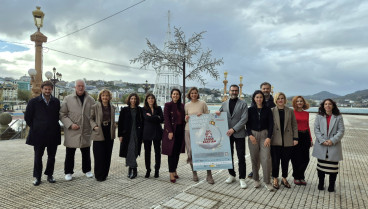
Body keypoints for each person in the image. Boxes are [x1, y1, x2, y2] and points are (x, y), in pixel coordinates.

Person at [25, 81, 61, 186]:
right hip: (38, 134)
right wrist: (36, 126)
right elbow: (28, 118)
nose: (47, 91)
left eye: (49, 89)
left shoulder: (56, 102)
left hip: (53, 133)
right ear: (42, 89)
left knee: (52, 156)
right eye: (45, 89)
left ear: (52, 90)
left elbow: (58, 116)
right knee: (38, 156)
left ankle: (50, 175)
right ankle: (37, 177)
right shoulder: (33, 102)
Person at [60, 79, 95, 181]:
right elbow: (62, 114)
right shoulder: (68, 99)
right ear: (75, 87)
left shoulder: (91, 100)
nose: (80, 88)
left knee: (86, 152)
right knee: (70, 153)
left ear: (85, 87)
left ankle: (87, 170)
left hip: (85, 130)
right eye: (78, 86)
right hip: (72, 131)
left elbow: (93, 115)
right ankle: (68, 172)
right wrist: (70, 125)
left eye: (82, 86)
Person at [216, 84, 248, 189]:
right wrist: (216, 114)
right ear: (229, 91)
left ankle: (242, 178)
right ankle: (232, 174)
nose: (234, 92)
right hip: (227, 135)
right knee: (228, 156)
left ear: (238, 92)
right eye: (232, 90)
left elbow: (244, 119)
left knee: (241, 157)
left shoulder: (243, 104)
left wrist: (234, 129)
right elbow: (218, 115)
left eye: (235, 91)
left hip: (239, 134)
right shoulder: (224, 104)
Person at [312, 99, 344, 192]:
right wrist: (322, 141)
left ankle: (331, 185)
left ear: (333, 105)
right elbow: (316, 130)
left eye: (329, 104)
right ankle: (321, 183)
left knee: (333, 167)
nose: (327, 105)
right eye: (325, 104)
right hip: (322, 145)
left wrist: (332, 141)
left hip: (333, 145)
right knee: (320, 166)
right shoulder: (319, 116)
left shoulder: (338, 117)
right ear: (323, 106)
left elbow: (341, 131)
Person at [184, 87, 214, 184]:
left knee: (205, 152)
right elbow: (184, 118)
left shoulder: (203, 103)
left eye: (195, 93)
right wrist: (186, 117)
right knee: (191, 152)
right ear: (189, 94)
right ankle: (194, 173)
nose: (194, 94)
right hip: (189, 130)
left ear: (198, 94)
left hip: (202, 131)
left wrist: (203, 115)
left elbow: (208, 116)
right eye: (192, 93)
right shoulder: (186, 105)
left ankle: (209, 175)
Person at [246, 90, 274, 191]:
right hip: (253, 135)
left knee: (266, 158)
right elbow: (247, 124)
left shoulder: (267, 110)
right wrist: (250, 135)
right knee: (254, 158)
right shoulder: (250, 110)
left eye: (261, 97)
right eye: (257, 97)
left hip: (264, 135)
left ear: (263, 98)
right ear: (254, 98)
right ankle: (256, 179)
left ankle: (267, 181)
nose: (259, 99)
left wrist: (269, 137)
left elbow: (271, 125)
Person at [271, 92, 298, 189]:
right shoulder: (272, 111)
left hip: (287, 140)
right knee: (275, 161)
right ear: (276, 100)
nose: (280, 100)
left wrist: (295, 138)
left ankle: (284, 178)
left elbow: (294, 125)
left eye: (282, 98)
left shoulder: (290, 111)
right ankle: (275, 178)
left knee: (285, 161)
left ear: (285, 100)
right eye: (278, 98)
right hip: (275, 140)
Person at [90, 89, 116, 181]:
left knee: (107, 154)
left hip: (109, 131)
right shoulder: (95, 106)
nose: (105, 97)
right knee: (98, 154)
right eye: (103, 96)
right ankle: (98, 175)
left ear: (109, 97)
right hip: (99, 130)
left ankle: (105, 174)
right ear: (100, 97)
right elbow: (90, 119)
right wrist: (94, 126)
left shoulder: (112, 107)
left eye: (107, 96)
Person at [162, 88, 185, 183]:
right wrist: (170, 131)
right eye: (174, 94)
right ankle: (171, 172)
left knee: (177, 152)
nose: (175, 95)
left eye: (177, 94)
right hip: (172, 131)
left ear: (179, 96)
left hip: (181, 130)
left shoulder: (182, 106)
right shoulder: (168, 105)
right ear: (171, 95)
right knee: (171, 152)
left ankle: (175, 169)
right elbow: (166, 119)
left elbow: (184, 118)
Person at [118, 93, 144, 179]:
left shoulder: (140, 110)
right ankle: (133, 169)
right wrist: (120, 135)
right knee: (129, 150)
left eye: (135, 99)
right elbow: (120, 123)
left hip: (137, 134)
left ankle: (131, 168)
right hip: (127, 134)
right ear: (129, 100)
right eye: (132, 99)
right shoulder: (124, 110)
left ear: (137, 100)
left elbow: (143, 122)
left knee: (134, 151)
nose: (133, 100)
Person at [291, 96, 313, 185]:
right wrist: (292, 138)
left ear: (303, 103)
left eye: (301, 101)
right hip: (296, 136)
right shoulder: (292, 113)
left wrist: (311, 138)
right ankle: (297, 177)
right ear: (295, 103)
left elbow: (308, 126)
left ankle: (301, 175)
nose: (299, 103)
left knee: (306, 159)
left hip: (305, 136)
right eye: (297, 101)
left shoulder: (306, 113)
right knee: (296, 158)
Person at [142, 93, 164, 178]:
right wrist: (156, 117)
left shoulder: (158, 108)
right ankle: (148, 170)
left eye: (152, 98)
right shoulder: (143, 109)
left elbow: (162, 119)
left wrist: (152, 116)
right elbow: (146, 118)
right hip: (147, 133)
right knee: (147, 153)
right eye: (149, 98)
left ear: (154, 100)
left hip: (157, 133)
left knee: (157, 152)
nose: (151, 100)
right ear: (146, 100)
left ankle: (157, 170)